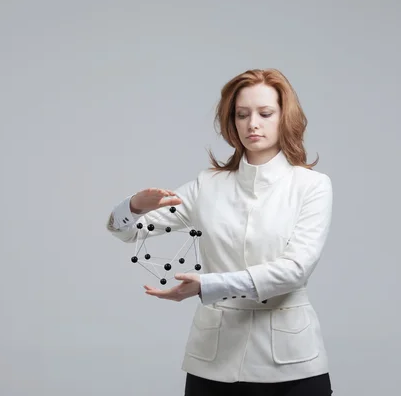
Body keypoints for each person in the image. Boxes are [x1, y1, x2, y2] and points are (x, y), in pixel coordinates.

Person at [106, 68, 334, 395]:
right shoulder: (208, 186)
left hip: (291, 363)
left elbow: (294, 271)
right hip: (213, 362)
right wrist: (133, 207)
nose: (252, 123)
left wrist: (207, 286)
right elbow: (130, 232)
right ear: (232, 121)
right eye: (242, 114)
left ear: (285, 117)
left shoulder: (311, 186)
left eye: (265, 113)